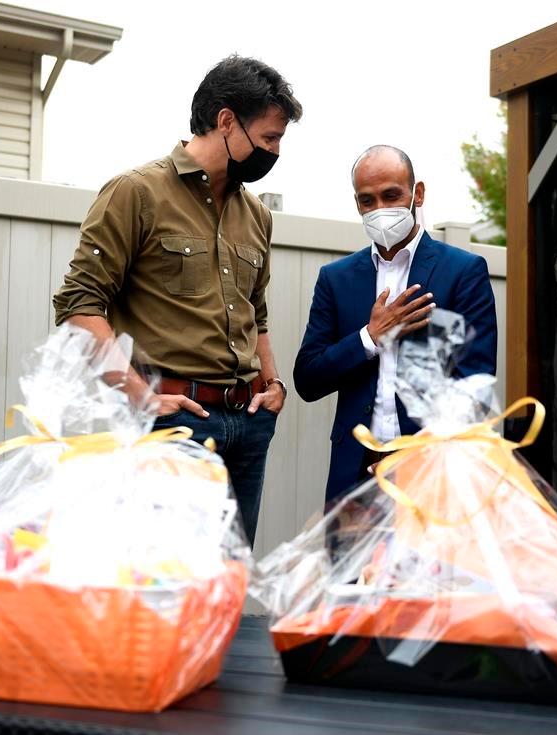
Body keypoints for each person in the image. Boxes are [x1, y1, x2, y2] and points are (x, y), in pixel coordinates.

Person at [52, 55, 302, 546]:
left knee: (225, 590)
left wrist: (273, 387)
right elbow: (79, 305)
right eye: (269, 138)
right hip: (173, 424)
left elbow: (258, 314)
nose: (274, 152)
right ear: (226, 120)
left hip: (249, 424)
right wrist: (142, 398)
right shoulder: (136, 192)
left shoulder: (257, 215)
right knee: (164, 589)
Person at [293, 145, 498, 503]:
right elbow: (308, 379)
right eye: (367, 200)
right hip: (354, 476)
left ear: (417, 193)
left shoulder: (462, 272)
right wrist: (369, 337)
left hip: (431, 475)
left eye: (391, 195)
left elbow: (473, 385)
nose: (379, 209)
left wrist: (418, 456)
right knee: (347, 561)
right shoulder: (336, 279)